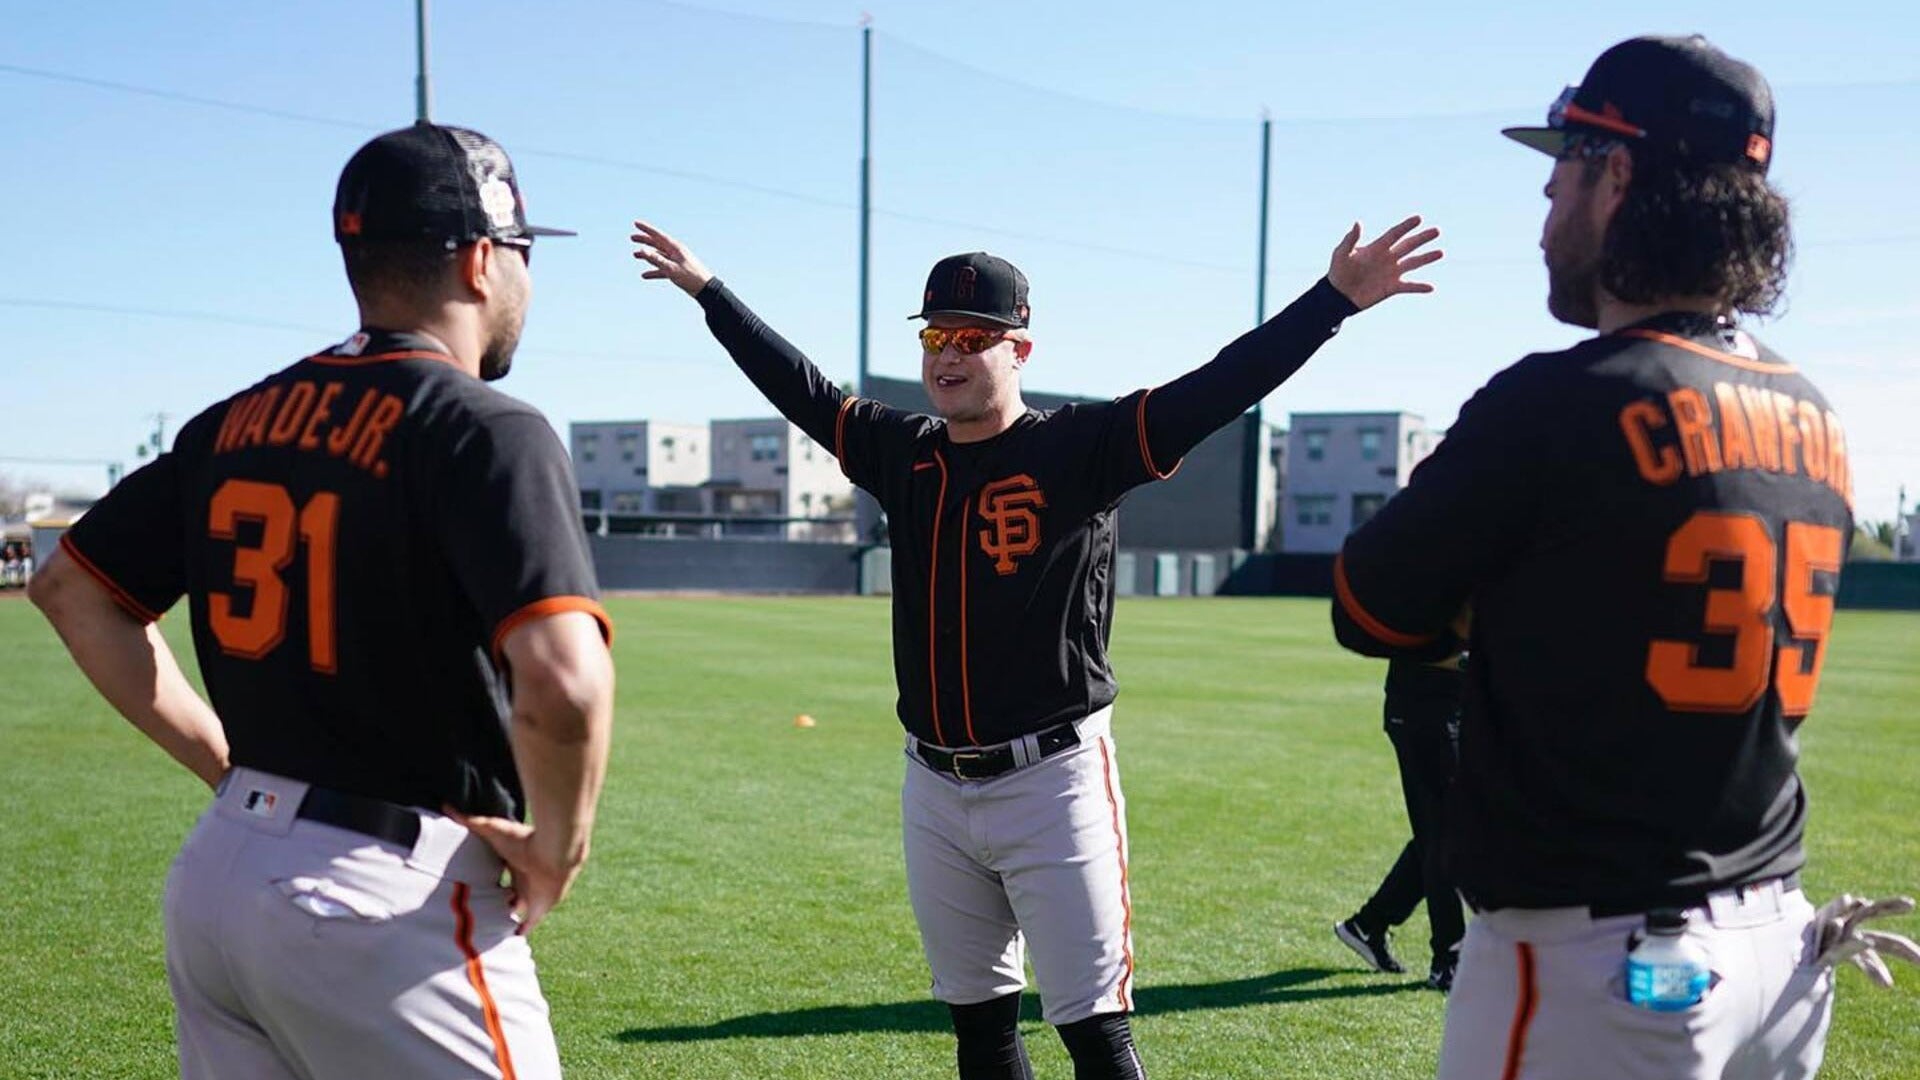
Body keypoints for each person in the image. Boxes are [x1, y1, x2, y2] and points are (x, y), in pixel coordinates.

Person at [632, 215, 1440, 1079]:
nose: (949, 354)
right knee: (979, 1030)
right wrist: (708, 292)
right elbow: (802, 388)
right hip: (933, 784)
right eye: (937, 335)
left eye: (974, 337)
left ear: (1020, 350)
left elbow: (1217, 388)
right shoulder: (900, 452)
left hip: (1053, 780)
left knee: (1094, 1032)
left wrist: (1332, 303)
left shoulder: (1079, 448)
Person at [1330, 35, 1916, 1078]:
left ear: (1619, 175)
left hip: (1601, 976)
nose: (1547, 200)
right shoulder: (1814, 413)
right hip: (1779, 958)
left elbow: (1367, 610)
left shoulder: (1559, 402)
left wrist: (1495, 598)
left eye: (1562, 167)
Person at [29, 121, 615, 1080]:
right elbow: (565, 683)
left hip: (221, 876)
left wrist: (225, 766)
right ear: (479, 261)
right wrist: (557, 846)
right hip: (385, 902)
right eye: (520, 253)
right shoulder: (487, 427)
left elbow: (71, 588)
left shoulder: (234, 420)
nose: (525, 279)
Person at [1333, 655, 1466, 991]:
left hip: (1454, 702)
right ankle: (1448, 960)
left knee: (1448, 830)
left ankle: (1369, 924)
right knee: (1445, 835)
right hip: (1426, 705)